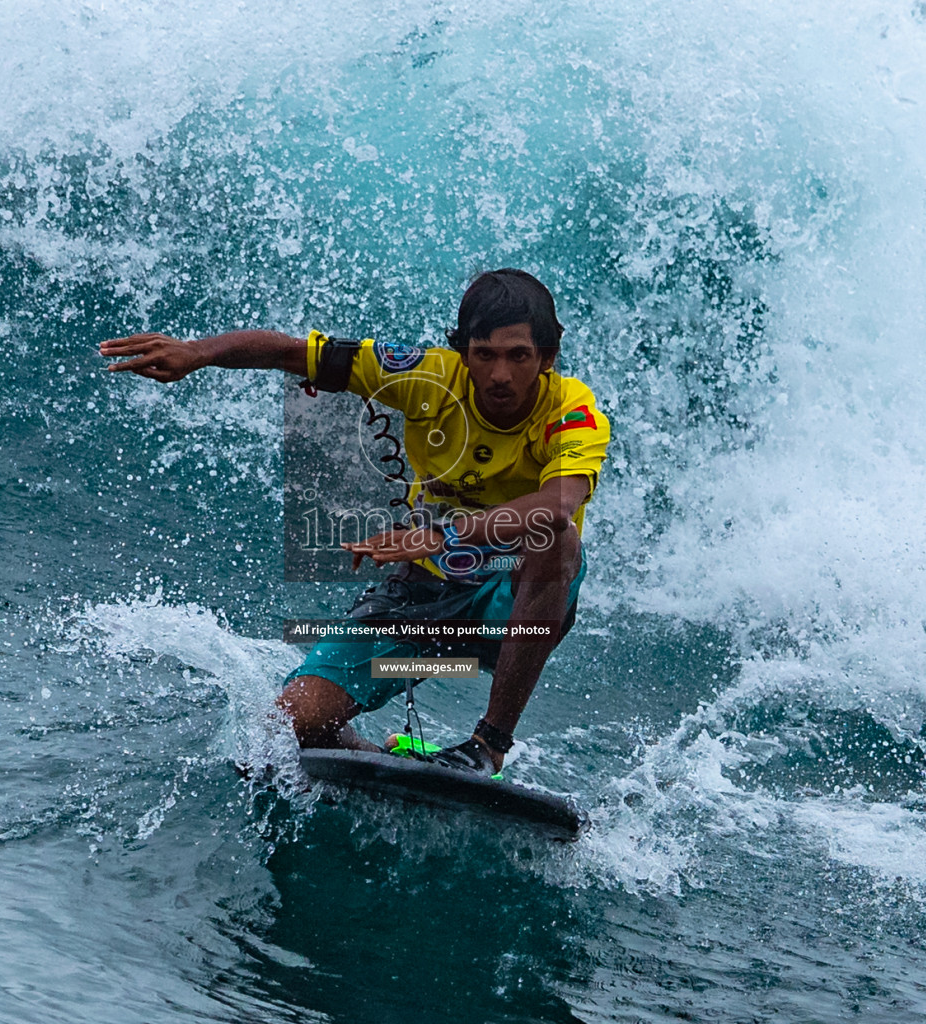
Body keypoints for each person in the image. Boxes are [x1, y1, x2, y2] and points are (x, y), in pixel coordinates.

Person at [99, 269, 609, 775]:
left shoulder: (571, 408)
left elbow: (558, 504)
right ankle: (392, 762)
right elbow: (290, 352)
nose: (501, 375)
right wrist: (199, 353)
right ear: (462, 353)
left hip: (509, 612)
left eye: (519, 356)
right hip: (421, 601)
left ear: (547, 357)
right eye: (485, 354)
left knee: (555, 540)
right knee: (283, 732)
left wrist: (440, 535)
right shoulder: (425, 377)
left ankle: (487, 746)